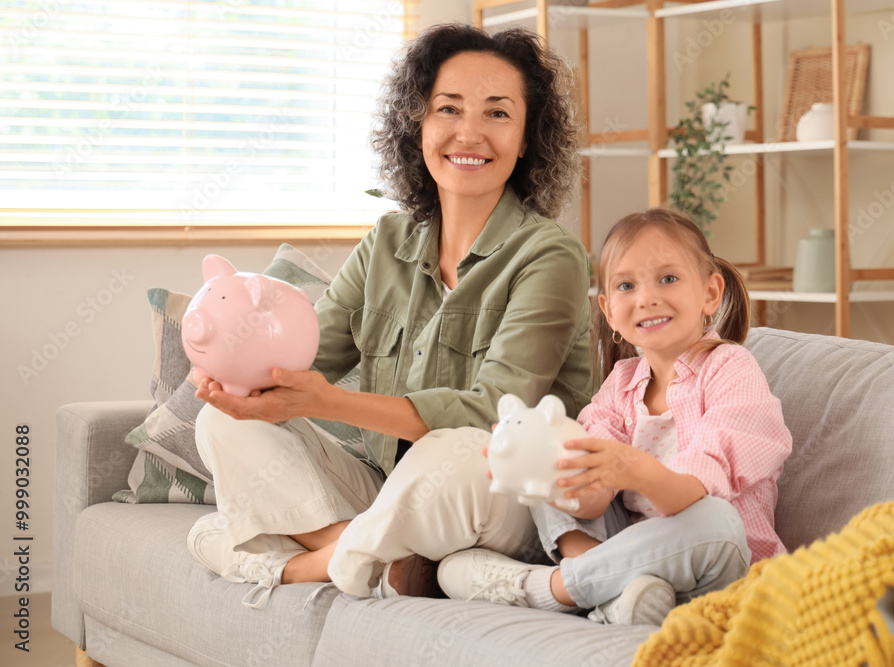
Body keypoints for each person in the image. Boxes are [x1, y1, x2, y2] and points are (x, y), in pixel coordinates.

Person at [186, 23, 593, 608]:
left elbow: (492, 414)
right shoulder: (387, 241)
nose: (469, 132)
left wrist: (322, 401)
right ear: (418, 125)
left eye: (497, 114)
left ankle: (308, 565)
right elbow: (301, 354)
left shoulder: (550, 256)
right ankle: (375, 558)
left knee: (451, 446)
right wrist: (234, 375)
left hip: (504, 491)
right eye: (447, 109)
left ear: (528, 137)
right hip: (391, 494)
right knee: (221, 422)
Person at [436, 208, 793, 625]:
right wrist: (533, 461)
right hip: (634, 562)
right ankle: (619, 593)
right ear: (608, 310)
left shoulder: (730, 369)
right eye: (627, 285)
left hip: (719, 569)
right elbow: (591, 500)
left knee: (717, 519)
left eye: (668, 279)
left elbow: (700, 490)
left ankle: (558, 590)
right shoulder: (622, 383)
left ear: (711, 294)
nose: (646, 298)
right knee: (561, 454)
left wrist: (633, 469)